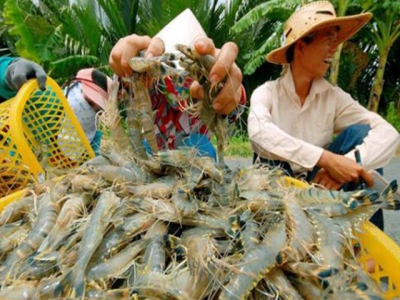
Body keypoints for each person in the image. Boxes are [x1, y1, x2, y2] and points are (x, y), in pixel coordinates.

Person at [248, 1, 400, 229]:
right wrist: (326, 159)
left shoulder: (333, 97)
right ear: (301, 47)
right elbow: (259, 133)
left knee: (361, 134)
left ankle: (367, 245)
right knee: (269, 157)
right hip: (277, 192)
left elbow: (388, 133)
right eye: (329, 41)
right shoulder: (267, 93)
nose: (334, 49)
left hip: (321, 185)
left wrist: (346, 166)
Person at [109, 9, 246, 160]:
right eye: (172, 74)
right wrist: (125, 67)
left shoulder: (204, 90)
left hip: (199, 154)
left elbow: (233, 106)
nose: (178, 81)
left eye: (186, 74)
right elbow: (123, 89)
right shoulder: (150, 84)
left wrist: (229, 87)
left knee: (201, 147)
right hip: (151, 151)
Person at [62, 68, 112, 156]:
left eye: (97, 110)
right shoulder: (48, 101)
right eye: (89, 102)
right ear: (74, 87)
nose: (89, 110)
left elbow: (96, 161)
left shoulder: (93, 137)